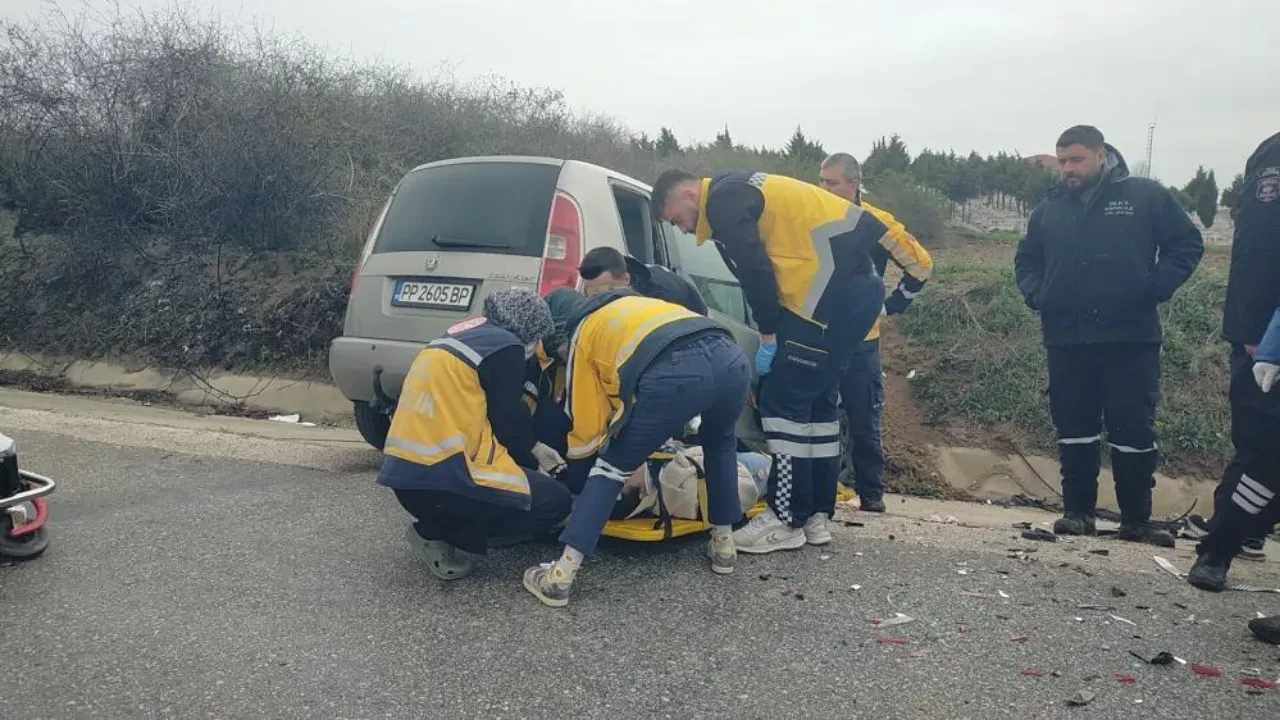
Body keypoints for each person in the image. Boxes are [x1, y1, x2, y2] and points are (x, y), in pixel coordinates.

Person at [652, 168, 889, 554]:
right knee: (817, 409)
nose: (679, 229)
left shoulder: (723, 202)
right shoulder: (742, 185)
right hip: (850, 297)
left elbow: (755, 268)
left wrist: (768, 332)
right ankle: (815, 516)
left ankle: (785, 517)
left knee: (781, 405)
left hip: (818, 303)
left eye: (674, 218)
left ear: (689, 195)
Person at [1015, 125, 1204, 547]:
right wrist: (1038, 293)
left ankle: (1136, 521)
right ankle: (1077, 513)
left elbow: (1186, 244)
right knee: (1074, 428)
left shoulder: (1144, 196)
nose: (1068, 169)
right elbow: (1026, 260)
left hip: (1130, 337)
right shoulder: (1049, 209)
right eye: (1062, 161)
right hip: (1067, 337)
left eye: (1076, 159)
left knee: (1132, 429)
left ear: (1101, 155)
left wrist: (1154, 287)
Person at [522, 289, 752, 607]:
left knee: (611, 469)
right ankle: (724, 546)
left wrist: (579, 467)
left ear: (564, 328)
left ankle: (559, 578)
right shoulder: (633, 306)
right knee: (721, 445)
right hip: (731, 358)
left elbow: (586, 425)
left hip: (674, 371)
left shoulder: (583, 333)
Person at [378, 290, 572, 580]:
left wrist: (529, 448)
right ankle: (437, 534)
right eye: (535, 337)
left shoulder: (463, 335)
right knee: (555, 501)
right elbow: (506, 418)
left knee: (529, 490)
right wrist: (533, 462)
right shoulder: (506, 346)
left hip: (408, 478)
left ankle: (440, 526)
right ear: (527, 329)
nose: (534, 345)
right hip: (445, 479)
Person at [1185, 133, 1280, 647]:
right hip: (1265, 342)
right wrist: (1255, 333)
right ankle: (1220, 548)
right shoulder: (1273, 156)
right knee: (1263, 454)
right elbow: (1257, 250)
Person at [818, 152, 935, 513]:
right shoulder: (810, 215)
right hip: (815, 334)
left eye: (832, 182)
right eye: (821, 181)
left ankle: (872, 496)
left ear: (854, 185)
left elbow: (921, 265)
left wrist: (890, 306)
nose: (824, 188)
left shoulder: (876, 222)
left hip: (860, 340)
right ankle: (820, 497)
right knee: (817, 418)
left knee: (863, 417)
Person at [578, 246, 709, 315]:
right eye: (592, 294)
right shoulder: (613, 276)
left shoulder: (662, 295)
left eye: (608, 292)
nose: (600, 300)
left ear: (626, 279)